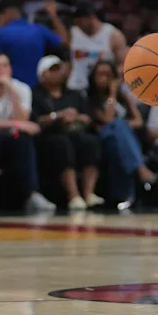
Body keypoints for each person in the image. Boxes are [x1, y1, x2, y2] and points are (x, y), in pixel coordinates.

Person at [0, 53, 56, 213]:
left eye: (5, 65)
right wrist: (16, 124)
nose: (2, 70)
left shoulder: (21, 89)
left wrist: (11, 91)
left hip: (12, 137)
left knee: (23, 137)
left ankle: (32, 194)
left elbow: (22, 118)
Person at [32, 56, 102, 210]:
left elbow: (88, 117)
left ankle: (89, 193)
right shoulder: (35, 94)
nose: (58, 73)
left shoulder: (73, 94)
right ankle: (73, 195)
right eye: (53, 70)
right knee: (62, 145)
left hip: (75, 132)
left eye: (59, 69)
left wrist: (77, 117)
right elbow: (35, 121)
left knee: (90, 142)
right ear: (43, 74)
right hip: (49, 136)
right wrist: (58, 116)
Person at [87, 59, 157, 207]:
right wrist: (112, 94)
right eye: (100, 74)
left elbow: (138, 121)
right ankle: (141, 169)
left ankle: (125, 196)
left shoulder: (123, 97)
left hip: (120, 138)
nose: (104, 78)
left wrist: (123, 126)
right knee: (117, 126)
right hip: (101, 137)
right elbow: (108, 119)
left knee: (118, 139)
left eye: (108, 74)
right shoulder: (90, 99)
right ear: (93, 77)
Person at [0, 0, 68, 87]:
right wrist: (53, 14)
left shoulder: (2, 33)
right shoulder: (38, 29)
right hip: (37, 89)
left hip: (13, 88)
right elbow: (64, 40)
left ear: (6, 12)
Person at [66, 0, 128, 92]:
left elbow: (123, 66)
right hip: (76, 87)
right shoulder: (73, 32)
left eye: (79, 21)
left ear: (91, 17)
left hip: (101, 91)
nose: (77, 24)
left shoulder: (113, 35)